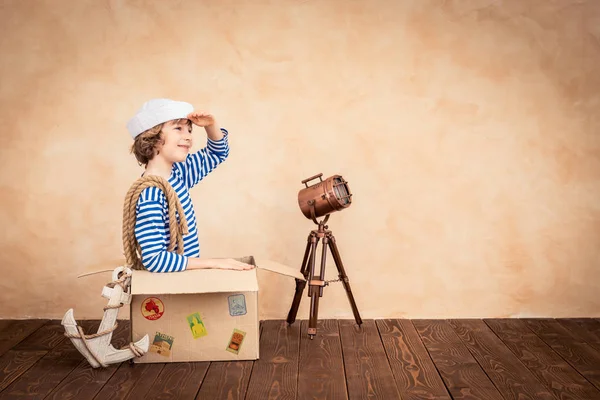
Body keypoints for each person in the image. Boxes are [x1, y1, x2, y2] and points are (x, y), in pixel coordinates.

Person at [126, 98, 255, 273]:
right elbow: (154, 259)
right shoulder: (152, 194)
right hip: (170, 286)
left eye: (189, 129)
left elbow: (217, 153)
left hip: (184, 278)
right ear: (152, 137)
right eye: (178, 128)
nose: (188, 136)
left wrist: (211, 125)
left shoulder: (178, 174)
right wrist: (214, 262)